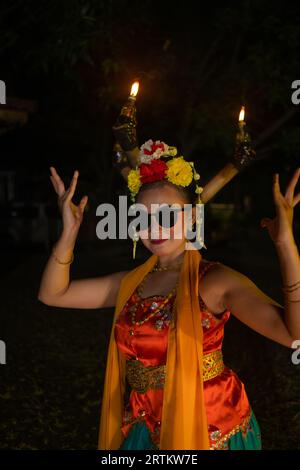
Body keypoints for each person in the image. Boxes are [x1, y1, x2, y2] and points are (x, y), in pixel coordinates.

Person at [38, 140, 300, 450]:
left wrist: (286, 247)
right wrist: (69, 233)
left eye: (166, 215)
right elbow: (53, 294)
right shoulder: (132, 282)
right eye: (143, 217)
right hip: (144, 426)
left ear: (191, 218)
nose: (154, 228)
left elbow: (291, 335)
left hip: (208, 428)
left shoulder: (212, 281)